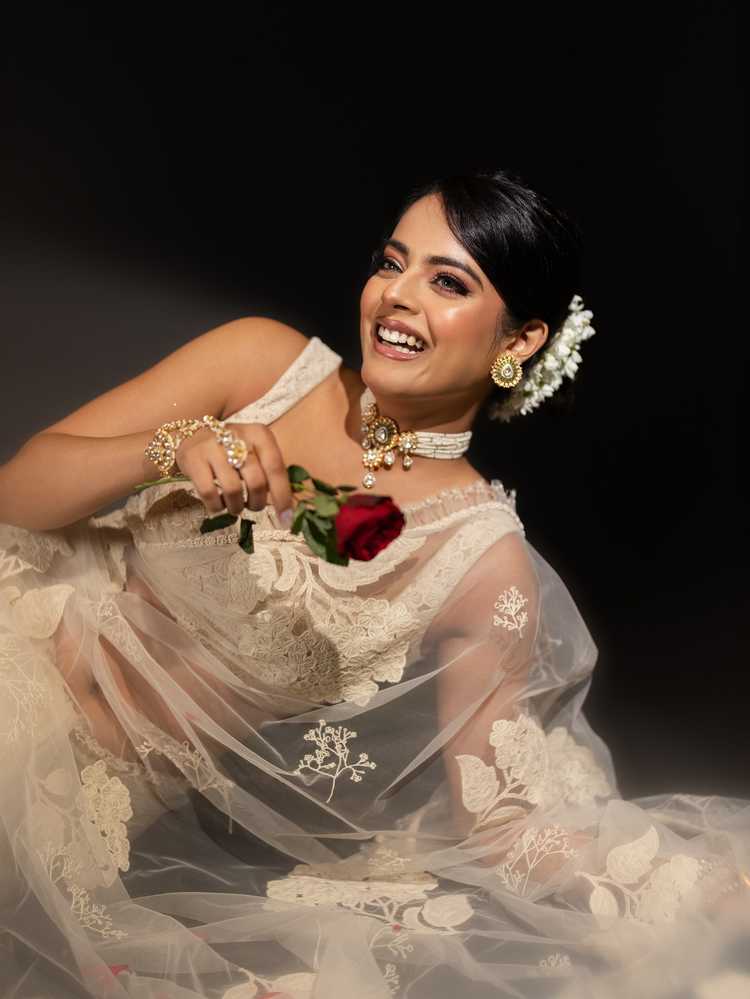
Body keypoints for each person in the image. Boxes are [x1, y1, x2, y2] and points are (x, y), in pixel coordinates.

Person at [0, 169, 747, 999]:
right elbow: (17, 491)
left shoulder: (477, 560)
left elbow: (502, 824)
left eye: (448, 282)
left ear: (519, 343)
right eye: (392, 263)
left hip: (73, 818)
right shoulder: (262, 365)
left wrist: (689, 889)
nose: (397, 294)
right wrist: (172, 447)